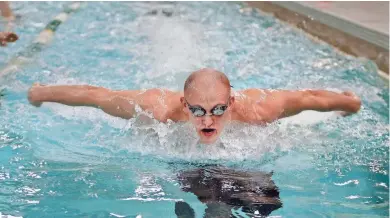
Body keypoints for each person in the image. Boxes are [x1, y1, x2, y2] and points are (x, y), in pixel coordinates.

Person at [28, 68, 362, 144]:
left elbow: (309, 99)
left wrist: (350, 102)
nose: (208, 120)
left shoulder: (259, 109)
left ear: (231, 103)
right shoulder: (157, 108)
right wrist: (40, 93)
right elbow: (94, 95)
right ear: (183, 105)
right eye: (197, 110)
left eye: (218, 109)